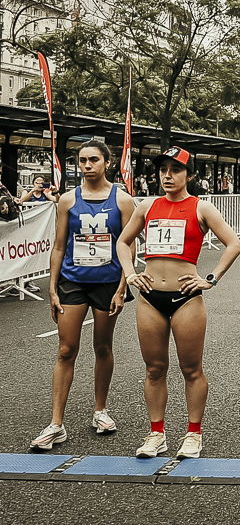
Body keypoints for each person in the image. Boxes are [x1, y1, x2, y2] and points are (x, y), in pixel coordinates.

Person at [116, 146, 240, 459]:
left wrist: (210, 278)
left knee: (191, 369)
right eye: (163, 170)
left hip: (186, 298)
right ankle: (156, 433)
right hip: (149, 298)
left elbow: (234, 244)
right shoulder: (147, 205)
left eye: (175, 170)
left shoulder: (202, 207)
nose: (167, 176)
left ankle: (193, 434)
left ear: (190, 174)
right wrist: (131, 274)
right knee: (154, 368)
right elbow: (122, 241)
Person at [30, 141, 136, 451]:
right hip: (72, 281)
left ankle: (100, 411)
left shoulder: (123, 200)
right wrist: (51, 286)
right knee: (65, 349)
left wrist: (122, 286)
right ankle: (55, 424)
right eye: (82, 160)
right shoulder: (66, 200)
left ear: (107, 162)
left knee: (102, 347)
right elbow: (59, 245)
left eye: (93, 160)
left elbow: (129, 246)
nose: (87, 165)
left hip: (107, 283)